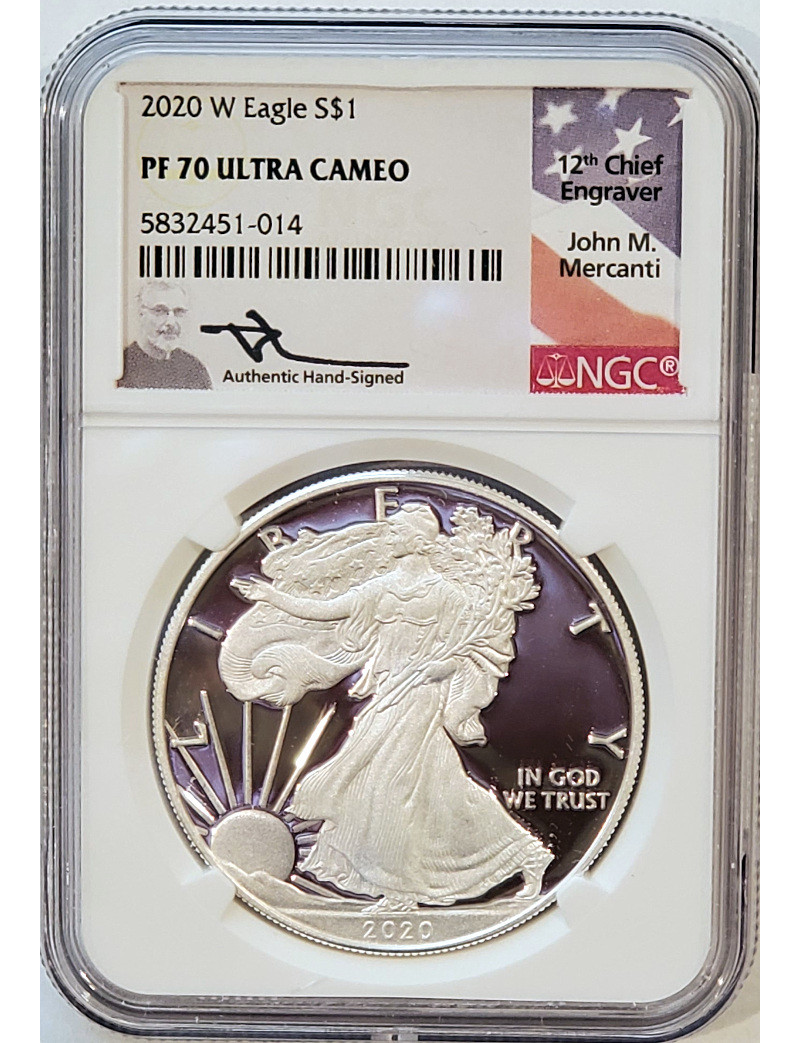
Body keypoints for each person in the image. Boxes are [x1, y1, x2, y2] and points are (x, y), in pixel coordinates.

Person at [230, 503, 553, 911]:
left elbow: (471, 651)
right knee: (443, 790)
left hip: (420, 696)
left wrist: (439, 668)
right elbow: (326, 612)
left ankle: (401, 892)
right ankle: (527, 855)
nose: (390, 536)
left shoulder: (447, 596)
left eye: (397, 531)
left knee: (388, 783)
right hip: (388, 692)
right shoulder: (381, 588)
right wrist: (270, 596)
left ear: (417, 541)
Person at [117, 281, 211, 389]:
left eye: (179, 312)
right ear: (141, 314)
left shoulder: (194, 369)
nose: (171, 323)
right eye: (160, 311)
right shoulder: (121, 365)